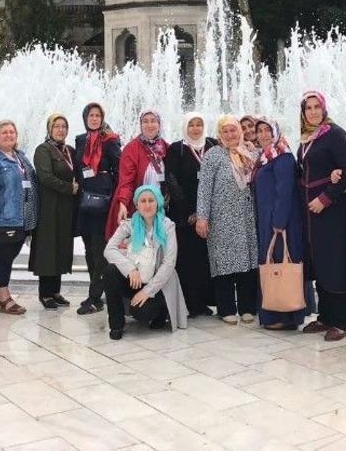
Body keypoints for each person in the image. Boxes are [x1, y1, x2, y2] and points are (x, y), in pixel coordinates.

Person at [296, 91, 346, 341]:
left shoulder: (334, 133)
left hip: (331, 209)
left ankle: (342, 321)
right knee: (319, 260)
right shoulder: (306, 138)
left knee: (337, 260)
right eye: (308, 108)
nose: (313, 111)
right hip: (311, 212)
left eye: (316, 107)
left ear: (324, 109)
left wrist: (326, 197)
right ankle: (325, 316)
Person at [196, 115, 259, 325]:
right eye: (226, 131)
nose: (230, 135)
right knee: (223, 263)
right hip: (221, 218)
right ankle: (226, 308)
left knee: (248, 262)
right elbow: (204, 188)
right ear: (220, 135)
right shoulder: (213, 155)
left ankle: (248, 307)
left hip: (246, 217)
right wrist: (202, 217)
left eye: (234, 130)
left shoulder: (251, 152)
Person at [103, 184, 188, 339]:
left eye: (151, 200)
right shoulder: (129, 224)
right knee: (109, 271)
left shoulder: (167, 226)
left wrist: (147, 291)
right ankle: (116, 325)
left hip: (158, 283)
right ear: (136, 205)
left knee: (141, 313)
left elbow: (169, 263)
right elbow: (109, 249)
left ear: (158, 203)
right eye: (143, 201)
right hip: (135, 277)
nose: (147, 205)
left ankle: (161, 311)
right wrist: (130, 269)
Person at [253, 117, 306, 330]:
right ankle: (273, 312)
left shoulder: (283, 156)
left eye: (268, 130)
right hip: (268, 218)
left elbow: (285, 191)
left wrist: (279, 221)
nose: (264, 134)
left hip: (280, 221)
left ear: (275, 132)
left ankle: (286, 316)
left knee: (281, 265)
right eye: (260, 131)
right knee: (272, 265)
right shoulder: (266, 158)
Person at [0, 119, 38, 315]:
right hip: (4, 219)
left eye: (12, 132)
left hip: (23, 218)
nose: (8, 135)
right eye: (4, 132)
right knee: (3, 259)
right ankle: (4, 298)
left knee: (9, 256)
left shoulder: (21, 157)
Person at [165, 112, 217, 316]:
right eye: (191, 125)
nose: (195, 129)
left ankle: (204, 302)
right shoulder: (176, 149)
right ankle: (188, 304)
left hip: (211, 214)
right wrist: (190, 211)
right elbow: (171, 179)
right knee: (188, 260)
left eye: (199, 124)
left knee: (206, 259)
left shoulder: (213, 145)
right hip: (184, 216)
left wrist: (206, 211)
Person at [74, 102, 121, 315]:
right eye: (91, 115)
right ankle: (97, 293)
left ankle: (94, 297)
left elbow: (119, 169)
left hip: (102, 202)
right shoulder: (80, 140)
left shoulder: (110, 140)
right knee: (88, 249)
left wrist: (116, 195)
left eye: (97, 115)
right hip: (84, 201)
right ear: (85, 118)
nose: (94, 119)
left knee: (100, 250)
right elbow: (77, 169)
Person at [30, 113, 79, 309]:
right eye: (56, 126)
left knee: (61, 246)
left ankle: (56, 291)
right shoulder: (43, 150)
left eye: (63, 126)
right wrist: (69, 188)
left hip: (66, 208)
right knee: (48, 248)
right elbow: (45, 177)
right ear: (49, 129)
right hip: (49, 207)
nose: (60, 130)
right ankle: (45, 293)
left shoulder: (70, 151)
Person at [106, 110, 168, 241]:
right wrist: (123, 203)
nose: (149, 125)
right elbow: (126, 180)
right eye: (145, 121)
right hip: (139, 206)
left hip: (161, 207)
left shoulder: (167, 148)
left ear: (159, 124)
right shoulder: (132, 148)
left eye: (153, 121)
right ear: (140, 125)